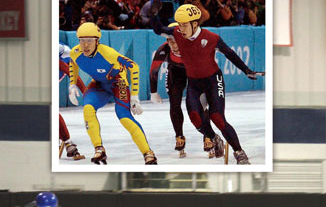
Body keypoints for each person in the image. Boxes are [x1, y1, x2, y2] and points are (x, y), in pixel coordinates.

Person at [152, 3, 264, 164]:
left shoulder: (211, 38)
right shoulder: (176, 33)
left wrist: (246, 70)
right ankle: (213, 137)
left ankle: (239, 152)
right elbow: (158, 29)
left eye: (184, 25)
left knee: (217, 117)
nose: (180, 29)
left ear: (195, 24)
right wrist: (154, 15)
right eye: (180, 25)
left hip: (213, 80)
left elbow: (230, 53)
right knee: (195, 118)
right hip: (195, 83)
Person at [68, 22, 157, 165]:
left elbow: (134, 67)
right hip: (99, 85)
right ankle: (99, 149)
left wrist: (134, 96)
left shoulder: (108, 53)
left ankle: (148, 153)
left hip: (118, 83)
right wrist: (72, 84)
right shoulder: (75, 52)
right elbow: (72, 63)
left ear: (97, 41)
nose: (85, 45)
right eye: (82, 40)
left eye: (89, 41)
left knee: (124, 118)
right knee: (88, 109)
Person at [149, 34, 214, 159]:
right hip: (176, 72)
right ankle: (179, 136)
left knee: (201, 103)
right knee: (174, 102)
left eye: (175, 42)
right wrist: (153, 92)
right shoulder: (163, 50)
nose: (173, 46)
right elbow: (153, 71)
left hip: (196, 71)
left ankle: (207, 135)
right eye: (170, 42)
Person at [58, 43, 85, 160]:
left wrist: (83, 90)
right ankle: (67, 141)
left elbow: (66, 68)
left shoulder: (61, 50)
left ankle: (68, 142)